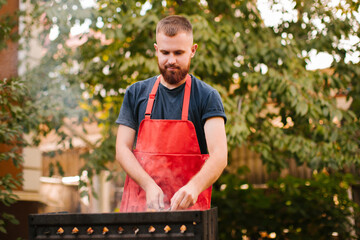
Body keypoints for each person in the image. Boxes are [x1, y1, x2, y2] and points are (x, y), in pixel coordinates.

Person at [115, 15, 227, 212]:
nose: (171, 60)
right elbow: (122, 149)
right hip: (140, 210)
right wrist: (148, 185)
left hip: (189, 215)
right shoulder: (135, 93)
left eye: (179, 52)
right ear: (156, 50)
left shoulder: (207, 96)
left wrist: (194, 187)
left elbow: (219, 155)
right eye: (165, 52)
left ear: (193, 51)